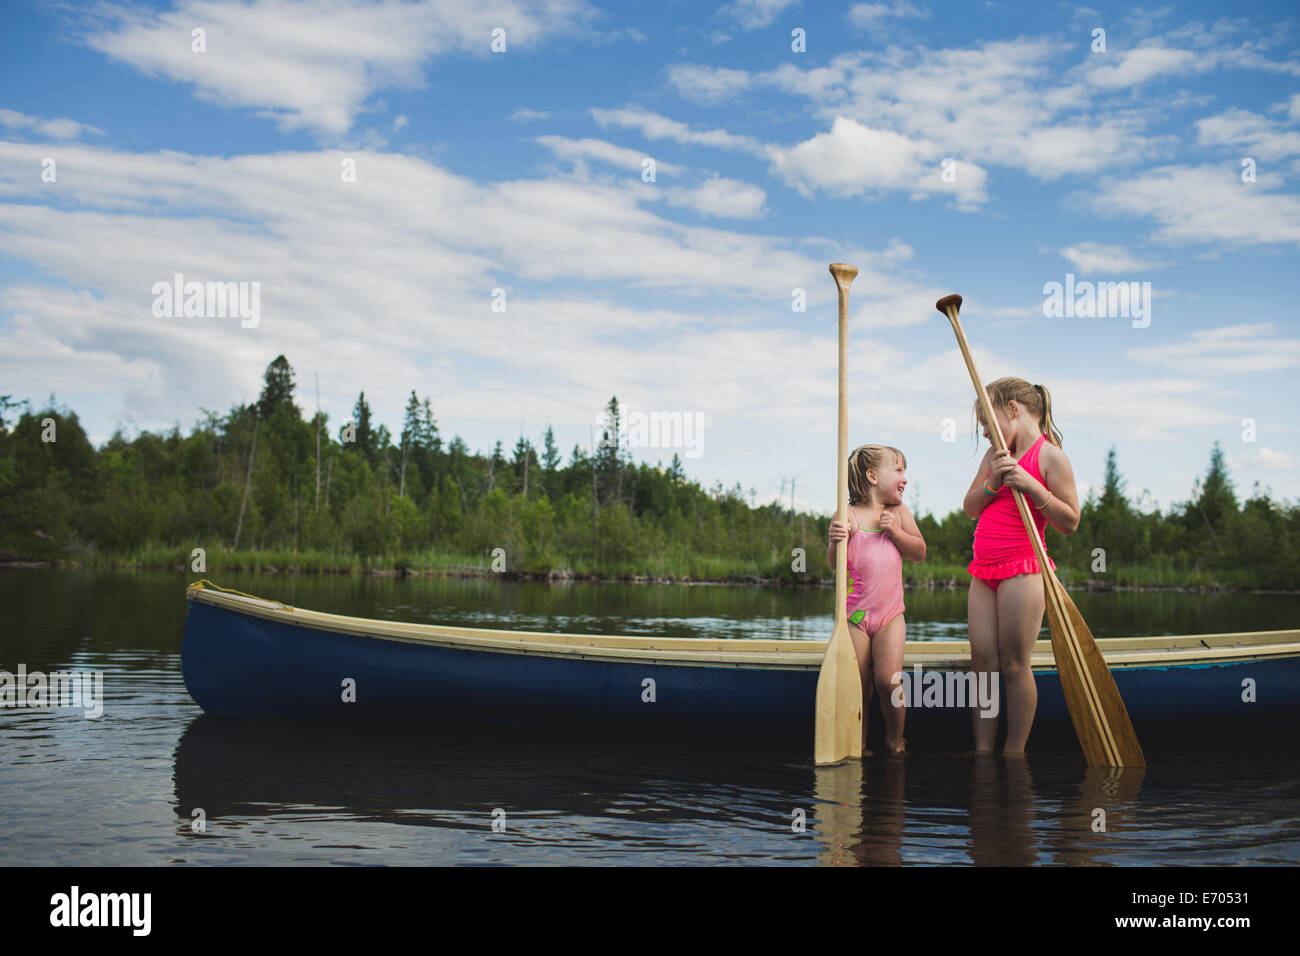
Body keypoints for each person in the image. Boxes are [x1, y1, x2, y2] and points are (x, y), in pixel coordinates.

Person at [961, 378, 1080, 755]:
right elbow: (970, 508)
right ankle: (982, 751)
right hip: (983, 570)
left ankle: (1014, 753)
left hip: (1023, 569)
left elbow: (1070, 522)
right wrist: (994, 481)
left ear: (1013, 410)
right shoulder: (996, 455)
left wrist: (1032, 487)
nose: (983, 432)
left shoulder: (1050, 457)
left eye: (986, 421)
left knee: (1013, 663)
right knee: (982, 661)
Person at [827, 444, 926, 755]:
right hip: (855, 617)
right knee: (860, 685)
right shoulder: (848, 516)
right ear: (872, 476)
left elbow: (919, 553)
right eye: (898, 471)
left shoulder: (899, 514)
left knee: (888, 681)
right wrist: (837, 540)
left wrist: (896, 532)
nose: (905, 478)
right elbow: (834, 564)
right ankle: (860, 744)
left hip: (890, 616)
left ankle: (896, 740)